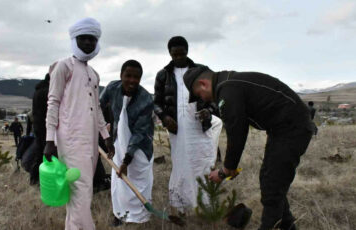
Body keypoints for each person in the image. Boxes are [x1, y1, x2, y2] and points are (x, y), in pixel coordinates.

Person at [183, 66, 315, 230]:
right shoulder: (228, 83)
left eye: (199, 95)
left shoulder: (227, 90)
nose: (203, 99)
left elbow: (236, 132)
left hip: (292, 129)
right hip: (283, 129)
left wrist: (225, 170)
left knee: (272, 188)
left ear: (203, 84)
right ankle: (288, 227)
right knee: (270, 181)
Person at [44, 17, 114, 230]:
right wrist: (50, 140)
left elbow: (97, 108)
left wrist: (106, 137)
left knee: (80, 193)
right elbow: (53, 103)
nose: (87, 43)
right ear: (75, 39)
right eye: (83, 38)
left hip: (91, 141)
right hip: (71, 139)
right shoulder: (63, 67)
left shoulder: (94, 74)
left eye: (92, 39)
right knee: (81, 190)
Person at [153, 36, 218, 214]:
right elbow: (156, 103)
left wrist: (209, 111)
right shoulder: (163, 75)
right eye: (175, 55)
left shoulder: (202, 71)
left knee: (201, 163)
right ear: (170, 54)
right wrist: (165, 118)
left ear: (187, 52)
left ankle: (205, 206)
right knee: (181, 164)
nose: (179, 58)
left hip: (199, 126)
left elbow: (216, 95)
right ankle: (182, 205)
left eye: (182, 54)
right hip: (177, 129)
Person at [100, 60, 154, 226]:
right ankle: (120, 213)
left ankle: (139, 217)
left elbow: (139, 133)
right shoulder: (112, 88)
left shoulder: (146, 99)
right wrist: (106, 136)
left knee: (139, 178)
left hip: (140, 146)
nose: (132, 80)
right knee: (119, 181)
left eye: (136, 77)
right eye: (128, 76)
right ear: (121, 75)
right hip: (118, 140)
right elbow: (97, 107)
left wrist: (126, 160)